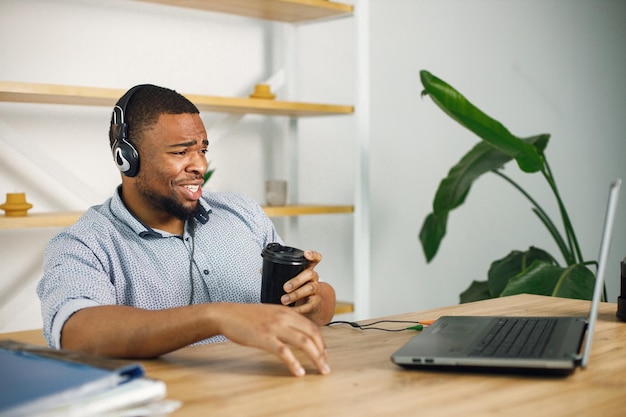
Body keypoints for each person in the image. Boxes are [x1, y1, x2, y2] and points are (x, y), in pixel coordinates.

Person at [36, 84, 336, 377]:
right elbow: (76, 333)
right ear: (127, 159)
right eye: (181, 152)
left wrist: (313, 301)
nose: (200, 165)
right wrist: (216, 316)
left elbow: (320, 306)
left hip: (269, 391)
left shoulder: (242, 213)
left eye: (203, 150)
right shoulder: (83, 243)